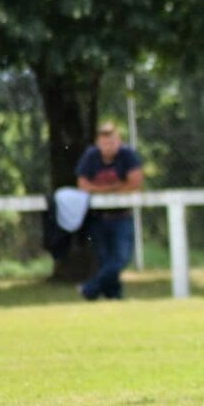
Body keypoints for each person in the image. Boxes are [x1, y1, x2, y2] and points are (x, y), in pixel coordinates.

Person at [75, 122, 143, 300]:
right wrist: (115, 188)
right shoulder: (91, 156)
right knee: (105, 260)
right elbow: (83, 185)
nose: (109, 147)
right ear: (98, 143)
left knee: (121, 257)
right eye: (105, 143)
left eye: (112, 142)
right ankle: (115, 296)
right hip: (98, 218)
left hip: (122, 216)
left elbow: (135, 184)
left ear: (119, 141)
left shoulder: (127, 155)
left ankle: (90, 289)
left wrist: (99, 189)